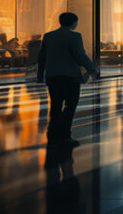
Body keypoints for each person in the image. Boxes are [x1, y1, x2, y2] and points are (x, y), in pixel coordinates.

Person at [37, 12, 98, 147]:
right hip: (70, 76)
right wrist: (92, 68)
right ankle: (64, 135)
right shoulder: (75, 36)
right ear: (73, 23)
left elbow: (42, 57)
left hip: (53, 76)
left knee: (55, 105)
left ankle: (52, 133)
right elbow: (79, 55)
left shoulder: (48, 36)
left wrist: (40, 76)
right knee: (70, 106)